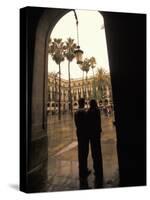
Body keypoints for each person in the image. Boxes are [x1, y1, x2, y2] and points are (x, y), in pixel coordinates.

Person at [74, 98, 91, 189]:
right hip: (84, 134)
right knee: (85, 152)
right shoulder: (84, 112)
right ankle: (84, 170)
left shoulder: (76, 113)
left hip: (79, 133)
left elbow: (76, 123)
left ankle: (81, 170)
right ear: (83, 104)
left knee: (80, 152)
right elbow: (87, 124)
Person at [87, 99, 103, 188]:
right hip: (97, 133)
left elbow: (88, 120)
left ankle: (97, 169)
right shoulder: (97, 111)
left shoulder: (91, 112)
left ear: (91, 104)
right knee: (98, 151)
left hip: (92, 134)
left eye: (90, 104)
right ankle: (99, 169)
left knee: (94, 152)